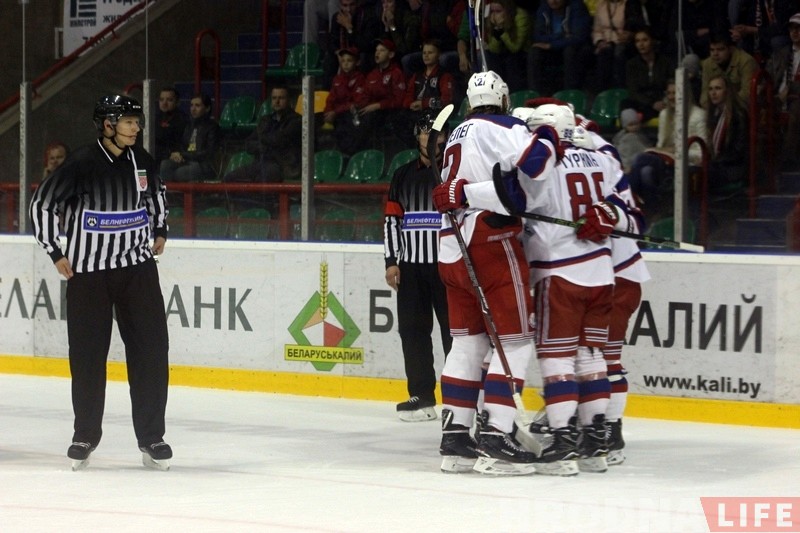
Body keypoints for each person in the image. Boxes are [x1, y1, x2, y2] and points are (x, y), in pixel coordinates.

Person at [28, 95, 171, 471]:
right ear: (107, 125)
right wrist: (55, 251)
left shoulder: (143, 160)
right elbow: (41, 204)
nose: (136, 127)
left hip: (138, 270)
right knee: (88, 357)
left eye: (136, 121)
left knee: (152, 353)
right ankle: (85, 434)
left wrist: (160, 228)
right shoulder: (81, 163)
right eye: (128, 121)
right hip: (88, 274)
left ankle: (152, 436)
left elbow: (156, 195)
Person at [430, 70, 558, 475]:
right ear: (503, 99)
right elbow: (537, 165)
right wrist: (547, 133)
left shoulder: (455, 132)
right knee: (515, 342)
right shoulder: (503, 125)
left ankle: (456, 438)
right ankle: (498, 436)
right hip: (491, 242)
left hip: (451, 248)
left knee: (466, 345)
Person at [518, 102, 642, 475]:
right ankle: (595, 442)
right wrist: (608, 215)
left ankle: (563, 442)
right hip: (602, 272)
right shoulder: (601, 159)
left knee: (557, 361)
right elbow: (631, 215)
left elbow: (513, 202)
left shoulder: (542, 163)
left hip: (560, 271)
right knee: (591, 358)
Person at [384, 110, 452, 422]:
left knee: (455, 335)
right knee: (413, 331)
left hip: (447, 267)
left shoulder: (453, 172)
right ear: (418, 137)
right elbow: (392, 220)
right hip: (410, 268)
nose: (429, 137)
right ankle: (422, 396)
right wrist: (391, 261)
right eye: (424, 132)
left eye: (434, 132)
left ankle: (458, 398)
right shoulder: (402, 175)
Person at [628, 80, 708, 214]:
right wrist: (664, 151)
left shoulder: (699, 116)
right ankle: (651, 213)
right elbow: (660, 146)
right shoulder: (664, 114)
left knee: (640, 161)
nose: (671, 97)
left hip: (686, 163)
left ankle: (629, 203)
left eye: (675, 93)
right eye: (669, 93)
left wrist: (679, 151)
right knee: (645, 171)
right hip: (664, 162)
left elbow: (702, 154)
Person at [224, 86, 301, 184]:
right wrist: (263, 146)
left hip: (282, 166)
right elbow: (249, 143)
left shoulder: (296, 121)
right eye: (274, 98)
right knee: (229, 178)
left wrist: (263, 140)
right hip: (260, 163)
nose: (277, 101)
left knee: (262, 179)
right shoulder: (265, 120)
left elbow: (279, 141)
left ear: (289, 100)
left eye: (281, 98)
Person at [394, 39, 456, 146]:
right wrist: (410, 104)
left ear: (439, 55)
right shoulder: (417, 75)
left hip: (434, 113)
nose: (426, 56)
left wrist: (423, 104)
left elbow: (446, 100)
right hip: (415, 112)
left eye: (430, 53)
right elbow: (408, 95)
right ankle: (412, 149)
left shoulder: (444, 76)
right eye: (424, 53)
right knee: (397, 119)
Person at [527, 0, 593, 95]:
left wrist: (551, 45)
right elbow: (538, 36)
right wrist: (560, 36)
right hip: (553, 48)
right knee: (535, 51)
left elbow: (578, 37)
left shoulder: (577, 6)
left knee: (570, 50)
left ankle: (569, 94)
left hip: (575, 49)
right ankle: (534, 95)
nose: (553, 1)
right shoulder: (544, 8)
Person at [159, 93, 220, 182]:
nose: (193, 109)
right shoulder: (188, 126)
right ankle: (167, 194)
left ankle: (176, 194)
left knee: (180, 172)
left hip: (203, 164)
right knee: (165, 165)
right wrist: (176, 154)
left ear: (207, 108)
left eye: (197, 105)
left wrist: (184, 155)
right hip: (187, 160)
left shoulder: (213, 127)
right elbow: (182, 145)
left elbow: (209, 153)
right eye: (191, 105)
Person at [706, 74, 749, 193]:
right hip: (719, 164)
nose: (713, 93)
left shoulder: (738, 115)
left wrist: (715, 162)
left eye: (718, 88)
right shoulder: (714, 114)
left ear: (727, 91)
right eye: (710, 89)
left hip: (734, 167)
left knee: (702, 172)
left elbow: (738, 151)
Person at [767, 12, 800, 169]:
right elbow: (769, 75)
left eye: (799, 28)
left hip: (796, 100)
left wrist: (791, 88)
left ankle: (787, 161)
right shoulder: (781, 54)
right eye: (792, 28)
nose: (795, 32)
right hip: (778, 97)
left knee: (796, 109)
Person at [323, 47, 369, 155]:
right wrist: (327, 113)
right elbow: (331, 98)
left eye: (349, 61)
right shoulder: (337, 79)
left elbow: (358, 102)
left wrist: (335, 112)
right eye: (343, 61)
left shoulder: (361, 79)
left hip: (350, 114)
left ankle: (348, 155)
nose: (346, 64)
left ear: (357, 62)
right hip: (336, 115)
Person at [623, 26, 674, 122]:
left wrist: (662, 101)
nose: (641, 44)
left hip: (661, 101)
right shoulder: (632, 64)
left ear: (652, 41)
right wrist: (651, 103)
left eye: (645, 40)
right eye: (637, 41)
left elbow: (670, 84)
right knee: (625, 104)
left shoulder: (665, 62)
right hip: (643, 102)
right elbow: (633, 91)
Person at [699, 32, 759, 109]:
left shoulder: (746, 61)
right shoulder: (707, 63)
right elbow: (704, 95)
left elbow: (747, 94)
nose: (715, 54)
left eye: (720, 49)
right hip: (717, 108)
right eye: (712, 50)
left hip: (742, 108)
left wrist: (726, 106)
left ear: (731, 49)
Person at [483, 0, 531, 93]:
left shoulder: (521, 16)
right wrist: (497, 29)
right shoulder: (491, 20)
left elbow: (515, 47)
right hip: (503, 52)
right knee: (489, 56)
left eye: (498, 11)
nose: (495, 15)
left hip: (521, 52)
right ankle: (496, 92)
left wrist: (502, 30)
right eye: (492, 11)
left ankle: (515, 94)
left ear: (507, 10)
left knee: (511, 60)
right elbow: (494, 49)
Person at [153, 86, 188, 167]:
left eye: (169, 100)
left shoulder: (183, 120)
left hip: (174, 157)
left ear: (177, 102)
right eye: (161, 100)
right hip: (156, 155)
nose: (164, 103)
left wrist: (171, 153)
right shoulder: (154, 118)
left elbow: (181, 144)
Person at [611, 108, 652, 173]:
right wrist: (626, 165)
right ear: (625, 126)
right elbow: (624, 154)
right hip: (629, 168)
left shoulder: (641, 135)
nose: (634, 127)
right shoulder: (625, 138)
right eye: (631, 125)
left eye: (636, 124)